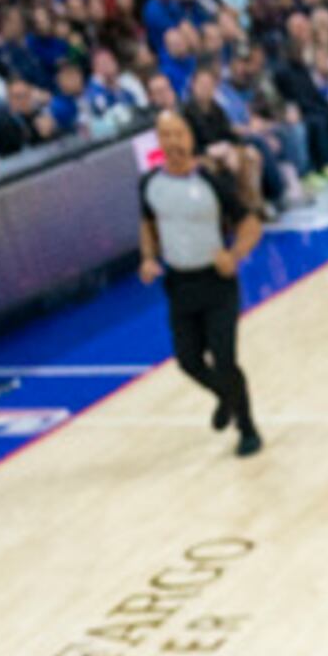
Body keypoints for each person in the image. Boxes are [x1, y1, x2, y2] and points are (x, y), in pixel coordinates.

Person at [137, 108, 260, 459]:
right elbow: (147, 222)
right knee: (188, 360)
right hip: (178, 283)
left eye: (178, 134)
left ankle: (247, 427)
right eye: (165, 135)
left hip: (217, 283)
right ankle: (225, 396)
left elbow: (251, 223)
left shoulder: (211, 182)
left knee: (224, 359)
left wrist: (234, 255)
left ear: (190, 138)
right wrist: (148, 257)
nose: (173, 142)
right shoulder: (149, 184)